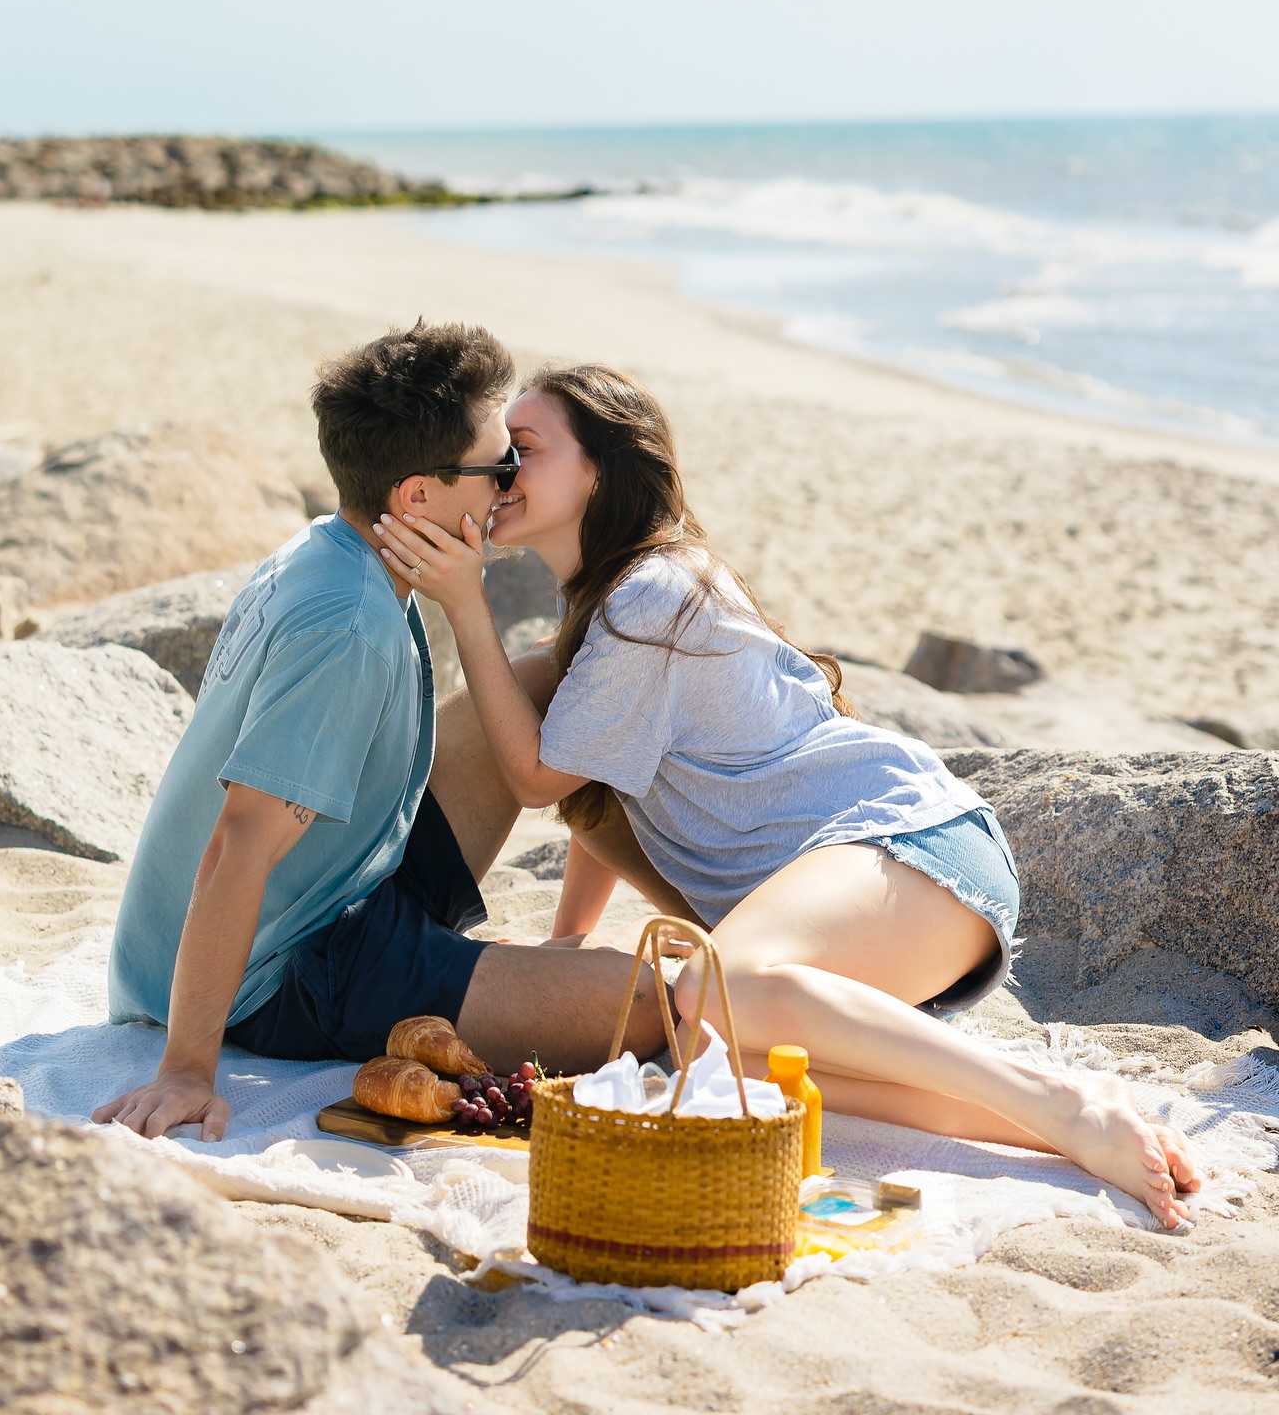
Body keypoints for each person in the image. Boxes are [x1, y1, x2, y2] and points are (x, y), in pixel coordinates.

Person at [371, 361, 1202, 1228]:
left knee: (713, 990)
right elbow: (597, 796)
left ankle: (1052, 1099)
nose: (501, 472)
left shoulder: (652, 594)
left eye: (526, 450)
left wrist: (466, 609)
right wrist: (568, 938)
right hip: (866, 908)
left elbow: (537, 778)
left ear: (601, 470)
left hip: (909, 846)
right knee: (702, 1053)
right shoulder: (606, 608)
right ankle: (1065, 1122)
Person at [94, 324, 664, 1143]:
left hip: (346, 880)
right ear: (417, 497)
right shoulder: (349, 626)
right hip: (289, 970)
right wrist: (187, 1068)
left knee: (536, 678)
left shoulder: (328, 548)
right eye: (496, 465)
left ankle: (505, 954)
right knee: (643, 1007)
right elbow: (239, 844)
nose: (509, 484)